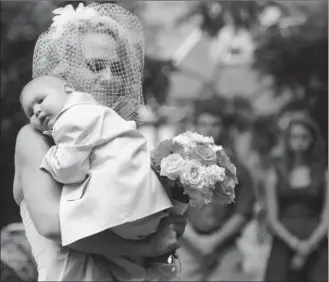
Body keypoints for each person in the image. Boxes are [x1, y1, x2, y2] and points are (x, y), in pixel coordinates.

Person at [14, 3, 186, 281]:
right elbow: (52, 225)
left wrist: (166, 227)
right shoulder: (33, 139)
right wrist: (145, 243)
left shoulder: (123, 140)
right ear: (63, 77)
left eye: (116, 68)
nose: (108, 77)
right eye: (96, 66)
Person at [20, 75, 172, 245]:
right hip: (143, 198)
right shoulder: (93, 109)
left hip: (125, 206)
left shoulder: (70, 120)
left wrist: (49, 158)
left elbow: (71, 171)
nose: (37, 111)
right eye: (30, 112)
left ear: (69, 90)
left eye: (40, 100)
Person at [177, 98, 254, 281]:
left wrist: (214, 241)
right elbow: (171, 207)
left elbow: (242, 212)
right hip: (187, 245)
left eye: (215, 124)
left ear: (223, 128)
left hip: (225, 247)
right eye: (203, 124)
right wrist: (197, 241)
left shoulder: (238, 169)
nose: (209, 129)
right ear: (194, 127)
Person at [264, 112, 328, 282]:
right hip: (284, 242)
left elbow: (327, 217)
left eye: (304, 137)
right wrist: (294, 243)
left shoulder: (323, 173)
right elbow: (272, 218)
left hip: (316, 243)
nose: (299, 142)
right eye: (294, 137)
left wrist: (309, 245)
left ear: (312, 139)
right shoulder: (275, 173)